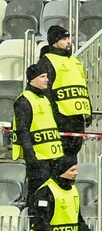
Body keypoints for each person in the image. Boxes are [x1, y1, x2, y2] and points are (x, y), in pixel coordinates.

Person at [37, 25, 91, 161]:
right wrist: (54, 113)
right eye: (64, 39)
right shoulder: (47, 61)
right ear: (55, 42)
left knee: (72, 158)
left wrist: (88, 110)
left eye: (69, 38)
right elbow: (45, 90)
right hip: (60, 118)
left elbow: (82, 86)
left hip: (77, 118)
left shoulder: (75, 61)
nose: (69, 42)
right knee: (59, 159)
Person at [12, 63, 63, 200]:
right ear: (32, 79)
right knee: (37, 196)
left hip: (52, 156)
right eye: (42, 76)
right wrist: (31, 157)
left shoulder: (45, 98)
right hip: (38, 158)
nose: (47, 79)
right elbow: (23, 131)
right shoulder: (24, 100)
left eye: (46, 76)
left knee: (49, 197)